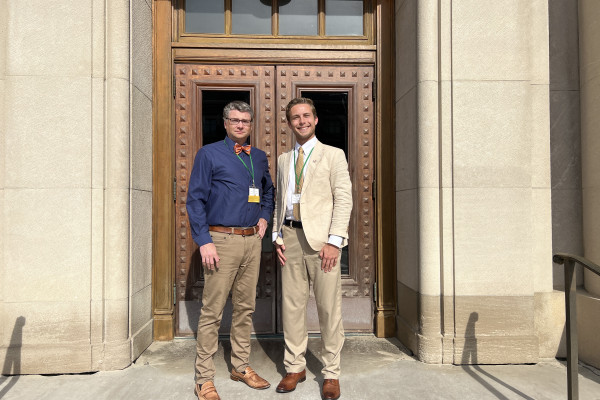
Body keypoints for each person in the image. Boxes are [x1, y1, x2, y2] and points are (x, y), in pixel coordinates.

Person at [187, 101, 274, 400]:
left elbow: (268, 192)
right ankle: (204, 378)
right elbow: (195, 199)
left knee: (245, 308)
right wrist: (204, 240)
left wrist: (264, 216)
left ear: (251, 125)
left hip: (252, 241)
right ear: (224, 123)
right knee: (212, 311)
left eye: (245, 121)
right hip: (220, 241)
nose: (240, 125)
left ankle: (240, 366)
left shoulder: (259, 157)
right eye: (235, 120)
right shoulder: (208, 154)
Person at [272, 97, 352, 400]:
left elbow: (343, 199)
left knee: (329, 309)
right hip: (290, 239)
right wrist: (277, 235)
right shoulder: (283, 159)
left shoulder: (333, 155)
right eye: (295, 117)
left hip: (322, 244)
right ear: (289, 123)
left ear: (315, 120)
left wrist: (335, 240)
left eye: (306, 116)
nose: (301, 121)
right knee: (292, 307)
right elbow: (281, 199)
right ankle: (295, 367)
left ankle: (331, 372)